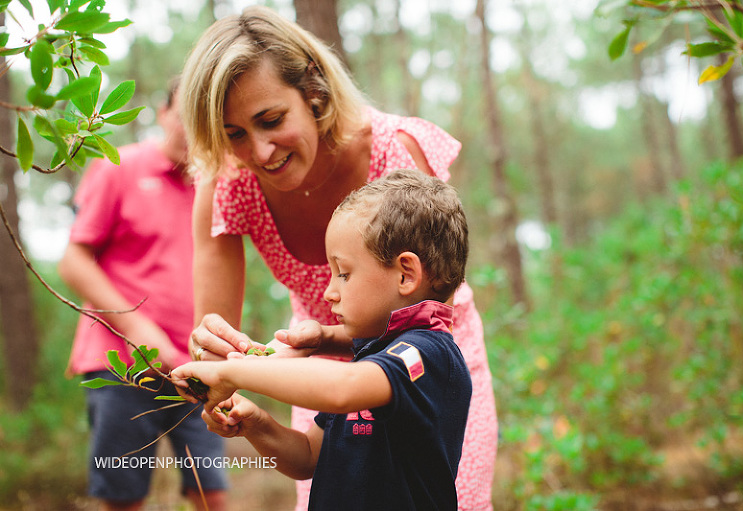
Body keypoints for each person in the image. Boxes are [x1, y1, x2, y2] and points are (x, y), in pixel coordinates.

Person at [179, 5, 497, 510]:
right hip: (317, 369)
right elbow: (220, 346)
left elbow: (420, 314)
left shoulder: (393, 151)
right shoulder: (229, 183)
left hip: (417, 356)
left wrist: (245, 371)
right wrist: (222, 365)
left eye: (270, 120)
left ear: (313, 90)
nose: (258, 152)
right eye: (234, 133)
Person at [172, 169, 473, 510]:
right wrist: (256, 425)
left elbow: (342, 388)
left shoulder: (427, 354)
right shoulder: (372, 354)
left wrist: (232, 373)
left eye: (343, 273)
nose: (329, 292)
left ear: (406, 274)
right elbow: (308, 457)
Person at [58, 79, 228, 511]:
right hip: (123, 366)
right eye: (186, 112)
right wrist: (137, 327)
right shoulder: (121, 167)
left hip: (194, 369)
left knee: (213, 495)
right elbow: (74, 262)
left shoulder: (215, 185)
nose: (195, 125)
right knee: (124, 499)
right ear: (163, 112)